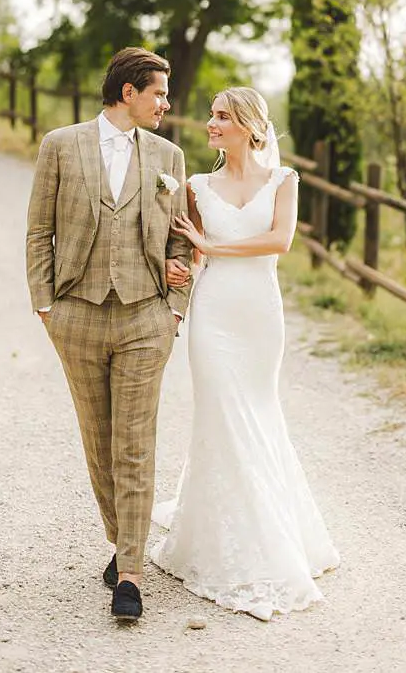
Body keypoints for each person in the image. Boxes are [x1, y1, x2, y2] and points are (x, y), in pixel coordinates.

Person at [149, 86, 339, 620]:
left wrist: (214, 248)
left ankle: (274, 527)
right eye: (211, 115)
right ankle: (226, 535)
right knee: (221, 416)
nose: (211, 124)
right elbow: (182, 246)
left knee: (257, 411)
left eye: (222, 117)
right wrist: (179, 264)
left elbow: (280, 241)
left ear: (250, 127)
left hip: (258, 316)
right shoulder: (196, 185)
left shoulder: (283, 181)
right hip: (212, 315)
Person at [25, 47, 194, 620]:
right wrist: (46, 305)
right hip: (76, 311)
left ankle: (130, 573)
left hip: (147, 316)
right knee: (98, 438)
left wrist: (175, 305)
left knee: (135, 441)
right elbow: (38, 230)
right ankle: (119, 537)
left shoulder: (170, 155)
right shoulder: (60, 145)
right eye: (159, 94)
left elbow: (180, 240)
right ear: (129, 93)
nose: (166, 104)